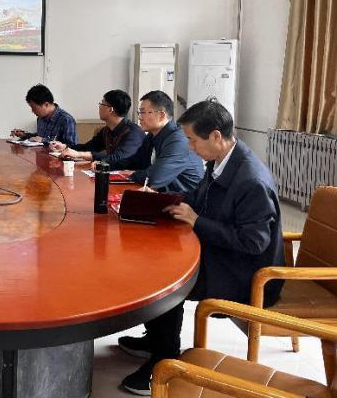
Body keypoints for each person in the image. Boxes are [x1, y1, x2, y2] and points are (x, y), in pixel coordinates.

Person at [118, 99, 285, 395]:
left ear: (216, 136)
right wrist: (159, 201)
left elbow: (253, 243)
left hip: (247, 274)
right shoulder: (223, 160)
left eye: (193, 140)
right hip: (224, 254)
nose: (190, 147)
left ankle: (164, 360)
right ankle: (155, 340)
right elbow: (198, 197)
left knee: (167, 278)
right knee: (154, 257)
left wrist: (197, 222)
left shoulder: (250, 181)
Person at [110, 90, 203, 192]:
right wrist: (104, 166)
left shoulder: (178, 140)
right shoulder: (151, 136)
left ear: (161, 115)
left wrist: (132, 174)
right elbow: (133, 162)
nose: (139, 117)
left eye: (143, 112)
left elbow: (154, 177)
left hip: (184, 198)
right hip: (160, 193)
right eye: (139, 112)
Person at [49, 89, 144, 165]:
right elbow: (88, 147)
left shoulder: (133, 132)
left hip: (134, 179)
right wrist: (65, 147)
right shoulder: (106, 131)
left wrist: (79, 154)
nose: (99, 107)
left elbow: (117, 158)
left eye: (102, 104)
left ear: (110, 109)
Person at [10, 84, 77, 146]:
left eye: (34, 108)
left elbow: (72, 146)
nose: (32, 111)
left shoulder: (66, 119)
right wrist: (24, 135)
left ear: (46, 105)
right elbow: (39, 137)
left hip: (55, 155)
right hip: (40, 154)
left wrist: (44, 140)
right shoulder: (40, 118)